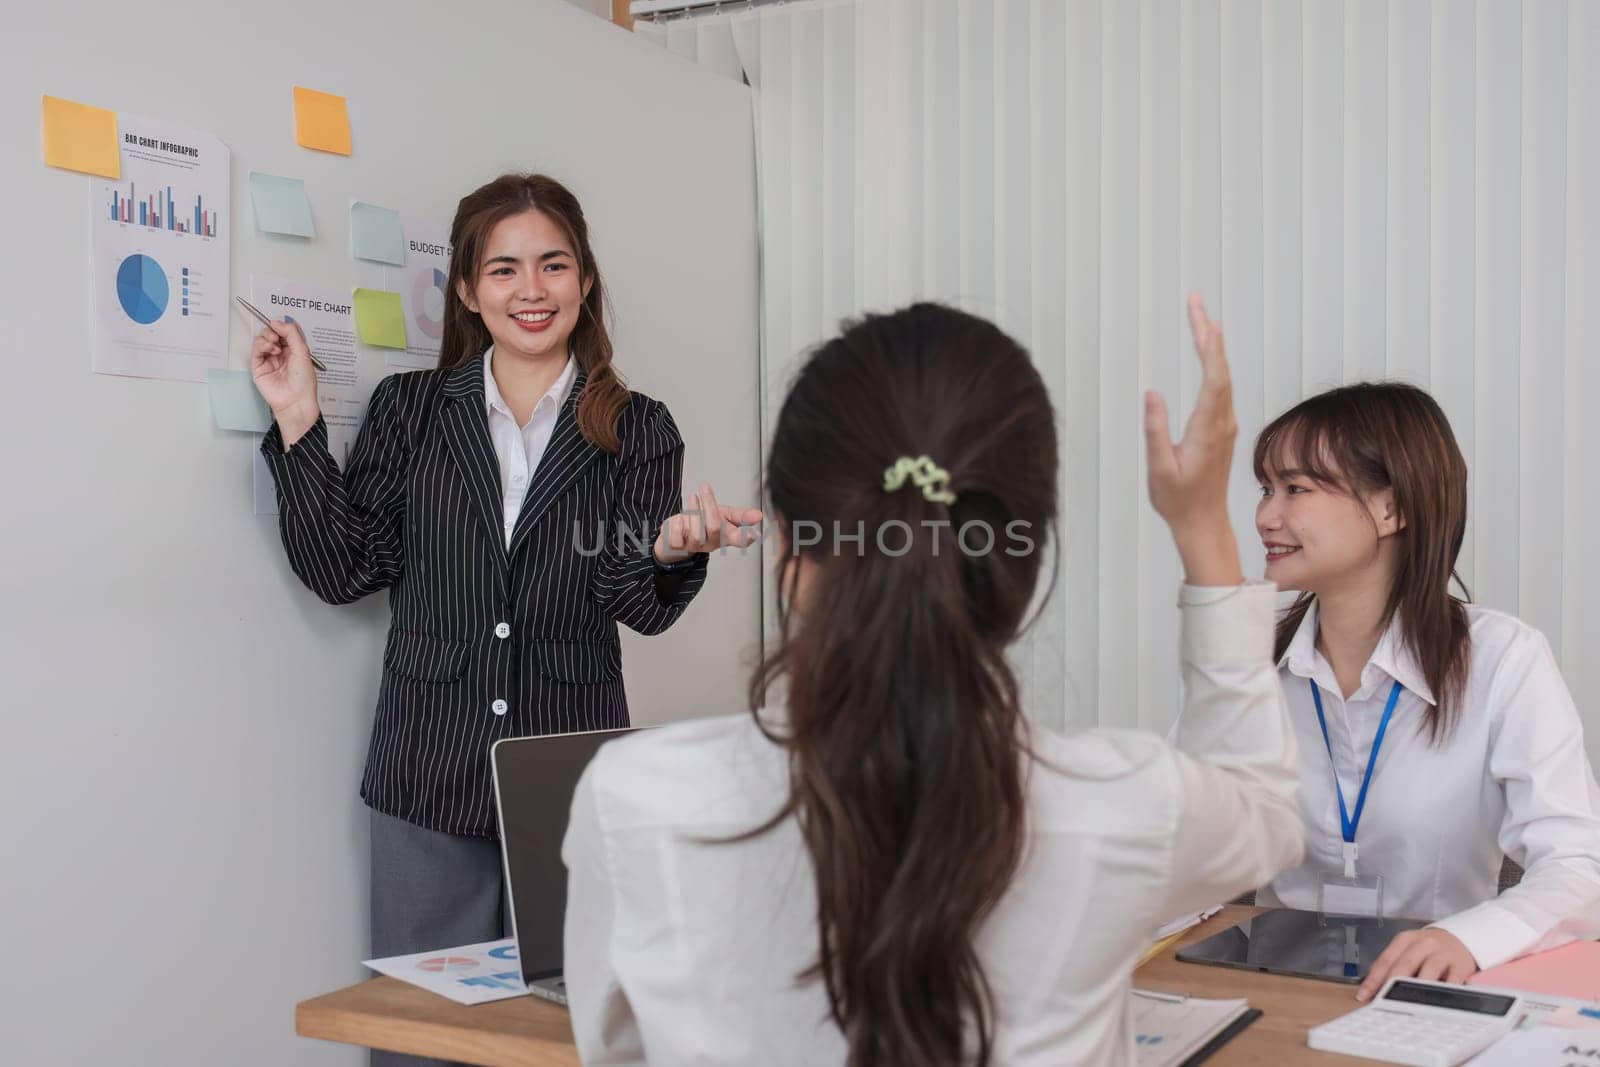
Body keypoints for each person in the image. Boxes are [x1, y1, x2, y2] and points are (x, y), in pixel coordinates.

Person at [561, 297, 1304, 1064]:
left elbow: (618, 1051)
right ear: (1024, 563)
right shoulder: (1123, 808)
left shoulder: (636, 801)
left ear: (785, 543)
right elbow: (1263, 807)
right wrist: (1203, 524)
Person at [251, 173, 759, 1066]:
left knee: (568, 1040)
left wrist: (676, 549)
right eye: (505, 269)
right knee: (415, 1042)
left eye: (554, 265)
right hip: (424, 778)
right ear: (466, 289)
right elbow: (346, 568)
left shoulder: (636, 428)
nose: (532, 290)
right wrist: (298, 417)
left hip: (567, 783)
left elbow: (632, 602)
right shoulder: (410, 412)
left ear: (586, 281)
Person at [1249, 381, 1600, 1000]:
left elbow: (1577, 863)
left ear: (1392, 509)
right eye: (1265, 489)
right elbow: (1180, 833)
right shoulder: (1250, 663)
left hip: (1430, 991)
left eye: (1295, 490)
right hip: (1272, 986)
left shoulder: (1502, 660)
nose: (1265, 517)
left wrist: (1471, 937)